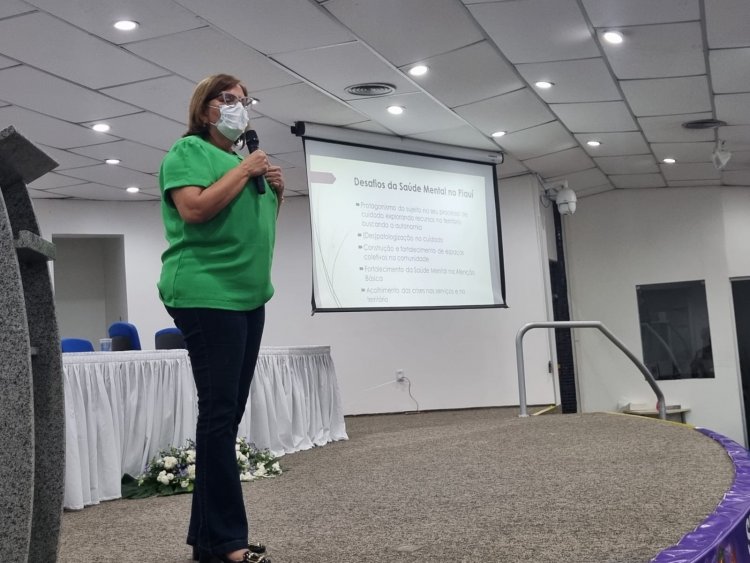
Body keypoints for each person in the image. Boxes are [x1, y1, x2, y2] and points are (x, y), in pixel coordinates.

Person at [157, 73, 284, 563]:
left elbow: (258, 229)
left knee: (225, 419)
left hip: (249, 297)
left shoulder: (240, 163)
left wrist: (277, 188)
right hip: (207, 294)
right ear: (204, 108)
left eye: (243, 100)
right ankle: (227, 542)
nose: (237, 107)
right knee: (217, 417)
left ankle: (210, 541)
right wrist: (247, 169)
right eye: (226, 99)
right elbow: (194, 209)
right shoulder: (188, 152)